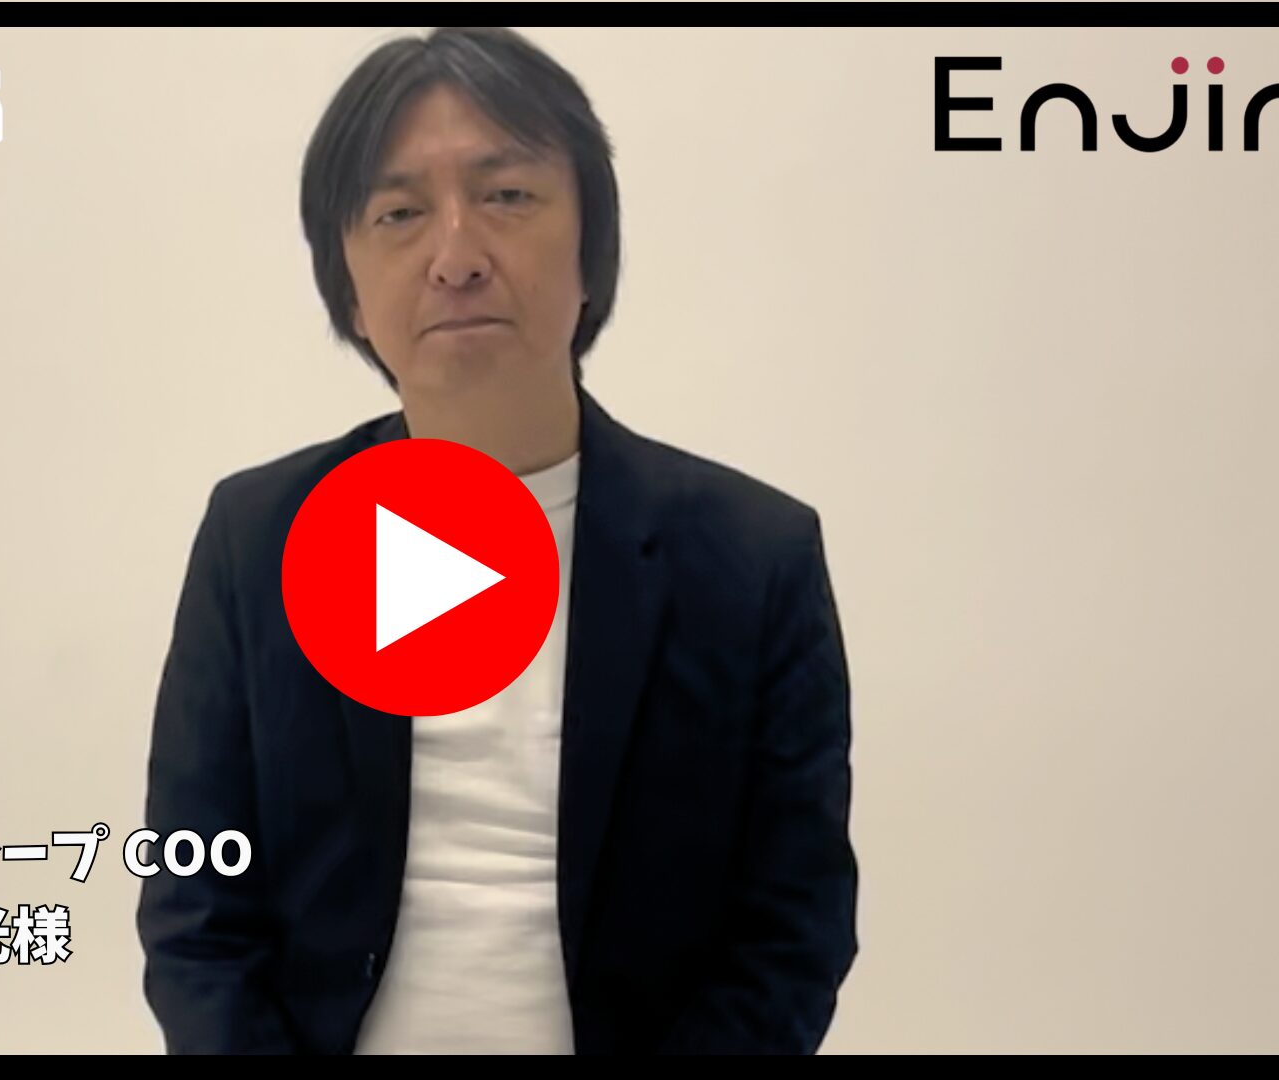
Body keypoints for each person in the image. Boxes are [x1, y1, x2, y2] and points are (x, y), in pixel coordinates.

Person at [136, 26, 857, 1055]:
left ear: (592, 253)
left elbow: (791, 934)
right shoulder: (257, 541)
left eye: (507, 195)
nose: (457, 258)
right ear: (348, 288)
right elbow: (196, 910)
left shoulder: (753, 560)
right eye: (399, 213)